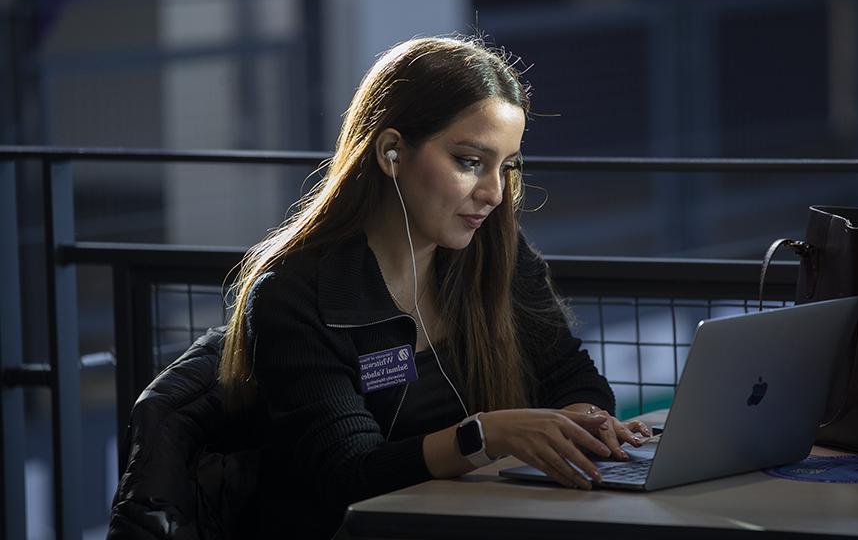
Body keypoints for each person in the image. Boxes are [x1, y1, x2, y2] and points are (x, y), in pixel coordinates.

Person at [219, 36, 650, 538]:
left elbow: (571, 374)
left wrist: (582, 418)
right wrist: (486, 435)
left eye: (507, 167)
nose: (493, 193)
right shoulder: (294, 294)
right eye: (470, 161)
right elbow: (348, 475)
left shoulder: (498, 256)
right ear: (392, 152)